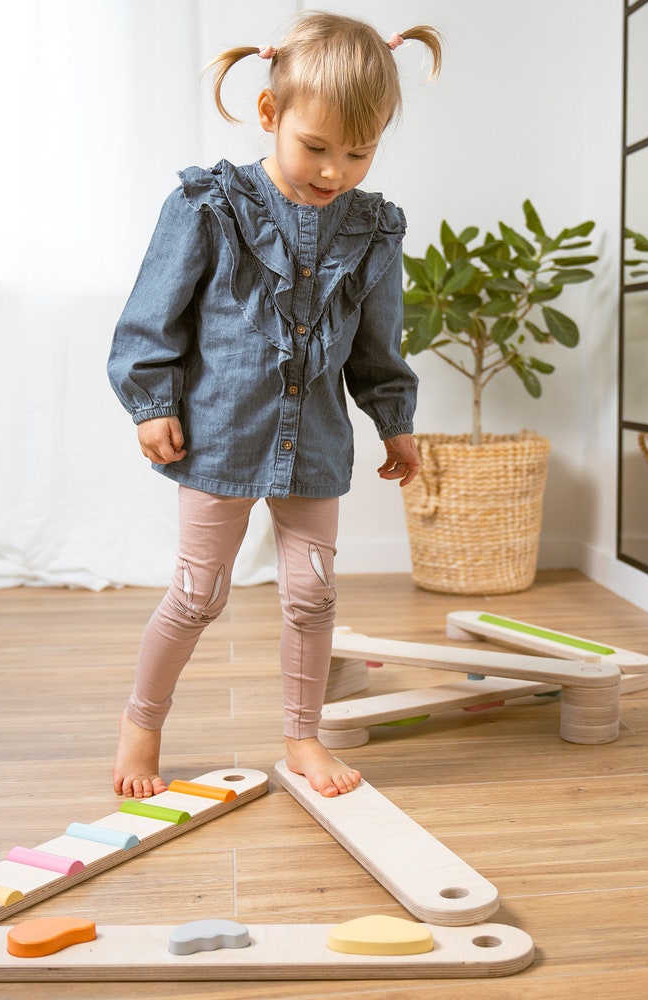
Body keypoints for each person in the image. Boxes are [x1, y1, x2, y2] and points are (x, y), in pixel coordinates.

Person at [107, 12, 443, 800]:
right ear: (270, 113)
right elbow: (152, 315)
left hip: (315, 443)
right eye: (316, 147)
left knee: (313, 594)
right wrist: (151, 402)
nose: (334, 171)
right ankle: (141, 724)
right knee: (198, 595)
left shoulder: (374, 230)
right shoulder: (209, 204)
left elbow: (377, 345)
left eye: (359, 152)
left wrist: (395, 422)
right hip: (219, 436)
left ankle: (303, 736)